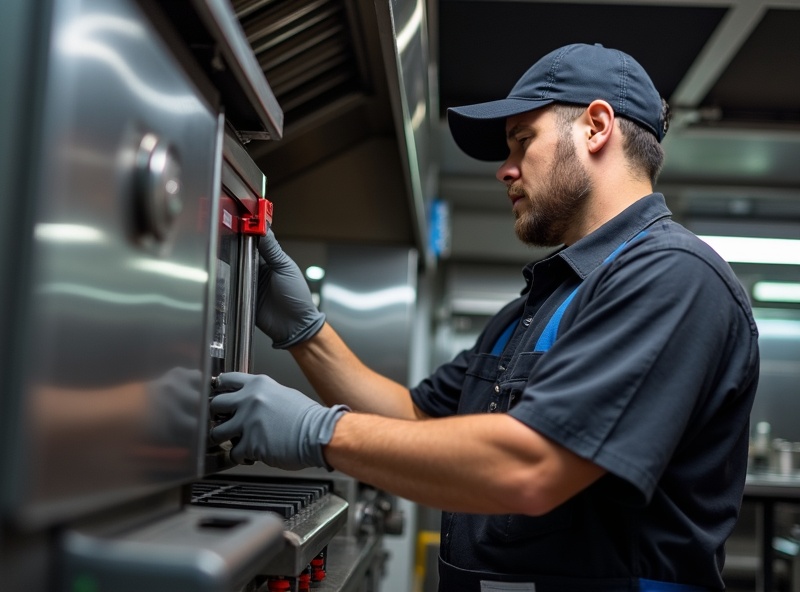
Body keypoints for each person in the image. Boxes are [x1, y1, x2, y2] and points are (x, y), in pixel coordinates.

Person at [209, 43, 760, 591]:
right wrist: (307, 333)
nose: (504, 170)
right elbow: (416, 421)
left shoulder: (673, 277)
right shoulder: (535, 306)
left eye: (523, 140)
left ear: (596, 127)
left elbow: (534, 467)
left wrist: (320, 432)